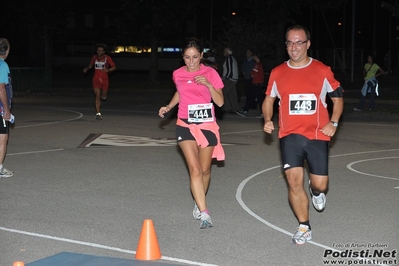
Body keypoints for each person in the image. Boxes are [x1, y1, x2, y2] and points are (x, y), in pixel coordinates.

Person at [262, 25, 344, 245]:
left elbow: (337, 99)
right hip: (290, 135)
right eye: (289, 42)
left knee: (320, 184)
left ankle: (316, 192)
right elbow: (269, 100)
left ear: (308, 44)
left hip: (317, 135)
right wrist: (268, 119)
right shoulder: (278, 72)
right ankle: (304, 226)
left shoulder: (322, 70)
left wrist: (333, 122)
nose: (293, 47)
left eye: (299, 42)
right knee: (293, 182)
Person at [158, 38, 224, 229]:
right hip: (184, 124)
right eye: (187, 57)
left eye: (195, 57)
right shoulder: (177, 74)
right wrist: (169, 106)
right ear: (183, 58)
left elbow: (220, 102)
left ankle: (198, 199)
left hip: (207, 125)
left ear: (202, 56)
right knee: (194, 169)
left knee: (205, 170)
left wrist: (209, 85)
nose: (191, 61)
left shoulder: (211, 73)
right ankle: (204, 213)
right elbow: (180, 92)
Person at [83, 43, 116, 120]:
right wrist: (87, 69)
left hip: (104, 79)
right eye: (98, 51)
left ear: (104, 51)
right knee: (97, 94)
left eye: (101, 51)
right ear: (96, 51)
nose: (99, 52)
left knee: (103, 95)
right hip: (96, 79)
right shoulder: (94, 58)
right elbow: (91, 65)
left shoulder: (107, 58)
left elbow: (114, 67)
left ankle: (104, 96)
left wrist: (108, 70)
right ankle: (98, 113)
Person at [0, 38, 14, 178]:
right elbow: (1, 89)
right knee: (2, 138)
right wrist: (6, 109)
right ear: (7, 51)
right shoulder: (2, 65)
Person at [221, 47, 240, 113]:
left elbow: (229, 69)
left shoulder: (229, 58)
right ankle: (235, 108)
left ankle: (227, 107)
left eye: (224, 51)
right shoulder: (233, 58)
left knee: (222, 92)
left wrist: (225, 77)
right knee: (232, 94)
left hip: (230, 79)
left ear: (227, 52)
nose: (223, 53)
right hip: (234, 79)